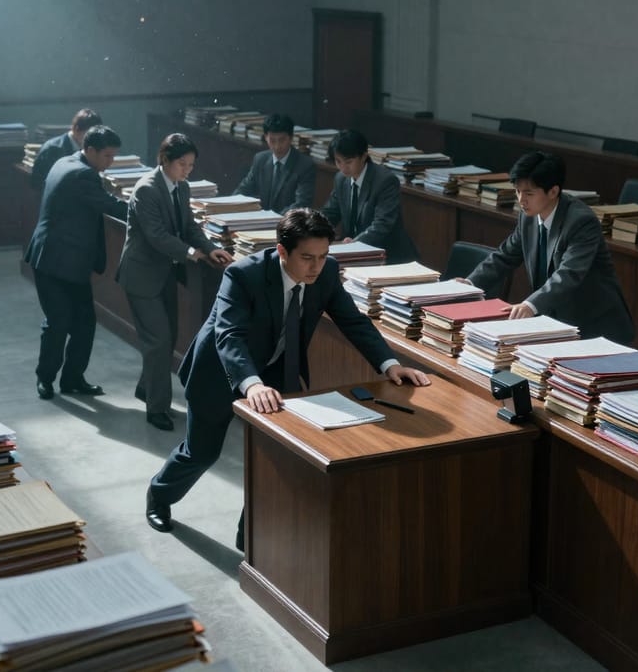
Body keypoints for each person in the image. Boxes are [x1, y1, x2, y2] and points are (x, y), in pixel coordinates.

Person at [144, 208, 430, 549]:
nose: (316, 267)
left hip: (279, 369)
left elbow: (352, 320)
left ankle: (248, 536)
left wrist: (389, 364)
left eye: (323, 257)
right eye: (307, 258)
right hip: (222, 371)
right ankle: (158, 496)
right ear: (282, 251)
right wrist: (251, 384)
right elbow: (229, 336)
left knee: (274, 456)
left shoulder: (326, 272)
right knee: (202, 453)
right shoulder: (242, 274)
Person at [117, 133, 233, 430]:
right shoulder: (147, 190)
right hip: (141, 275)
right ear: (165, 160)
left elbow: (189, 226)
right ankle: (157, 409)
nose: (187, 170)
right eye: (182, 164)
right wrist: (192, 253)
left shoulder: (180, 188)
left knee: (165, 336)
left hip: (163, 273)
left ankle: (147, 388)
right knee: (158, 340)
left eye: (191, 165)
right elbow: (157, 236)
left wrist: (209, 248)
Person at [462, 151, 635, 343]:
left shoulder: (581, 221)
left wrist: (531, 305)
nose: (521, 200)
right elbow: (504, 256)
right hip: (558, 322)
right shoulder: (528, 216)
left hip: (595, 326)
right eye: (517, 191)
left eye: (528, 193)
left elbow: (569, 274)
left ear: (553, 191)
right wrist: (469, 285)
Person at [24, 125, 127, 400]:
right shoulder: (83, 174)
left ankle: (72, 379)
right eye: (107, 156)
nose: (110, 162)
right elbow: (111, 206)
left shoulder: (67, 161)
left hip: (70, 260)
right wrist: (149, 210)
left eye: (114, 156)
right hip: (54, 260)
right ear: (90, 150)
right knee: (58, 323)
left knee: (84, 323)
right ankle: (45, 378)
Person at [319, 129, 419, 264]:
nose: (343, 168)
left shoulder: (385, 181)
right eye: (338, 161)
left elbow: (382, 225)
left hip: (388, 257)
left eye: (348, 162)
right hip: (354, 255)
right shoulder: (341, 179)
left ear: (364, 156)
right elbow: (330, 213)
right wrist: (310, 230)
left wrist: (353, 244)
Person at [233, 113, 316, 213]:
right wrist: (229, 206)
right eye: (272, 140)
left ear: (291, 138)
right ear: (266, 137)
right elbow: (244, 190)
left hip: (288, 224)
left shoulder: (305, 165)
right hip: (260, 222)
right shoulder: (260, 159)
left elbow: (301, 204)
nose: (277, 146)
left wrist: (274, 219)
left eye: (282, 140)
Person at [30, 109, 104, 190]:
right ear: (76, 129)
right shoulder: (52, 149)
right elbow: (38, 183)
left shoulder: (91, 149)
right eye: (89, 134)